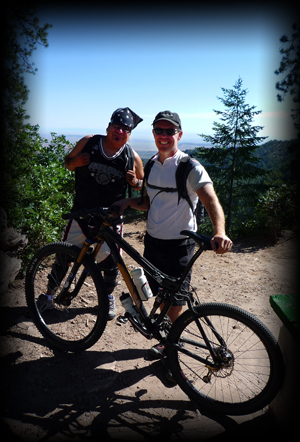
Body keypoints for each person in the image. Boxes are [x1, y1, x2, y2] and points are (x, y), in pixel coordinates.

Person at [115, 110, 232, 379]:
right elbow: (148, 202)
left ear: (179, 135)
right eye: (159, 131)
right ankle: (166, 342)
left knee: (175, 305)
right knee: (157, 295)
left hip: (180, 245)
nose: (164, 136)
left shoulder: (190, 167)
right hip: (153, 242)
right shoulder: (153, 163)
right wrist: (127, 201)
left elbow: (211, 200)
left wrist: (220, 231)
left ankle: (173, 358)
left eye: (170, 132)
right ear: (154, 134)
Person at [39, 107, 144, 320]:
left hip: (111, 219)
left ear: (129, 134)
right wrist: (75, 162)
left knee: (110, 264)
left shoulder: (131, 156)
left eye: (125, 129)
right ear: (108, 127)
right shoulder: (89, 142)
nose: (120, 131)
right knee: (64, 256)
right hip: (82, 214)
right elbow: (68, 163)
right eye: (116, 126)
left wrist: (136, 182)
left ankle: (106, 299)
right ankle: (49, 296)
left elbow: (142, 184)